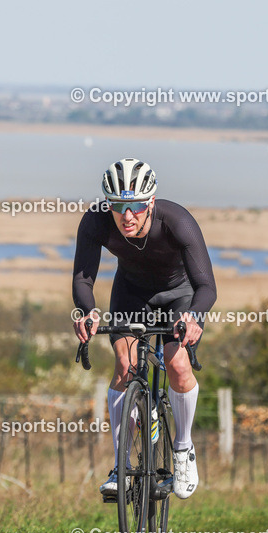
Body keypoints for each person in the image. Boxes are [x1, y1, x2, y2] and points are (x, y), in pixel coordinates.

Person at [72, 158, 217, 499]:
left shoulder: (178, 222)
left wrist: (193, 317)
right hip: (132, 293)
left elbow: (207, 286)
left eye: (136, 206)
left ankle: (182, 450)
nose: (127, 216)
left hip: (180, 297)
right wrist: (88, 312)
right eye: (119, 206)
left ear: (150, 202)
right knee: (125, 365)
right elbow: (83, 278)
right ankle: (120, 466)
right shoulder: (95, 221)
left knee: (177, 363)